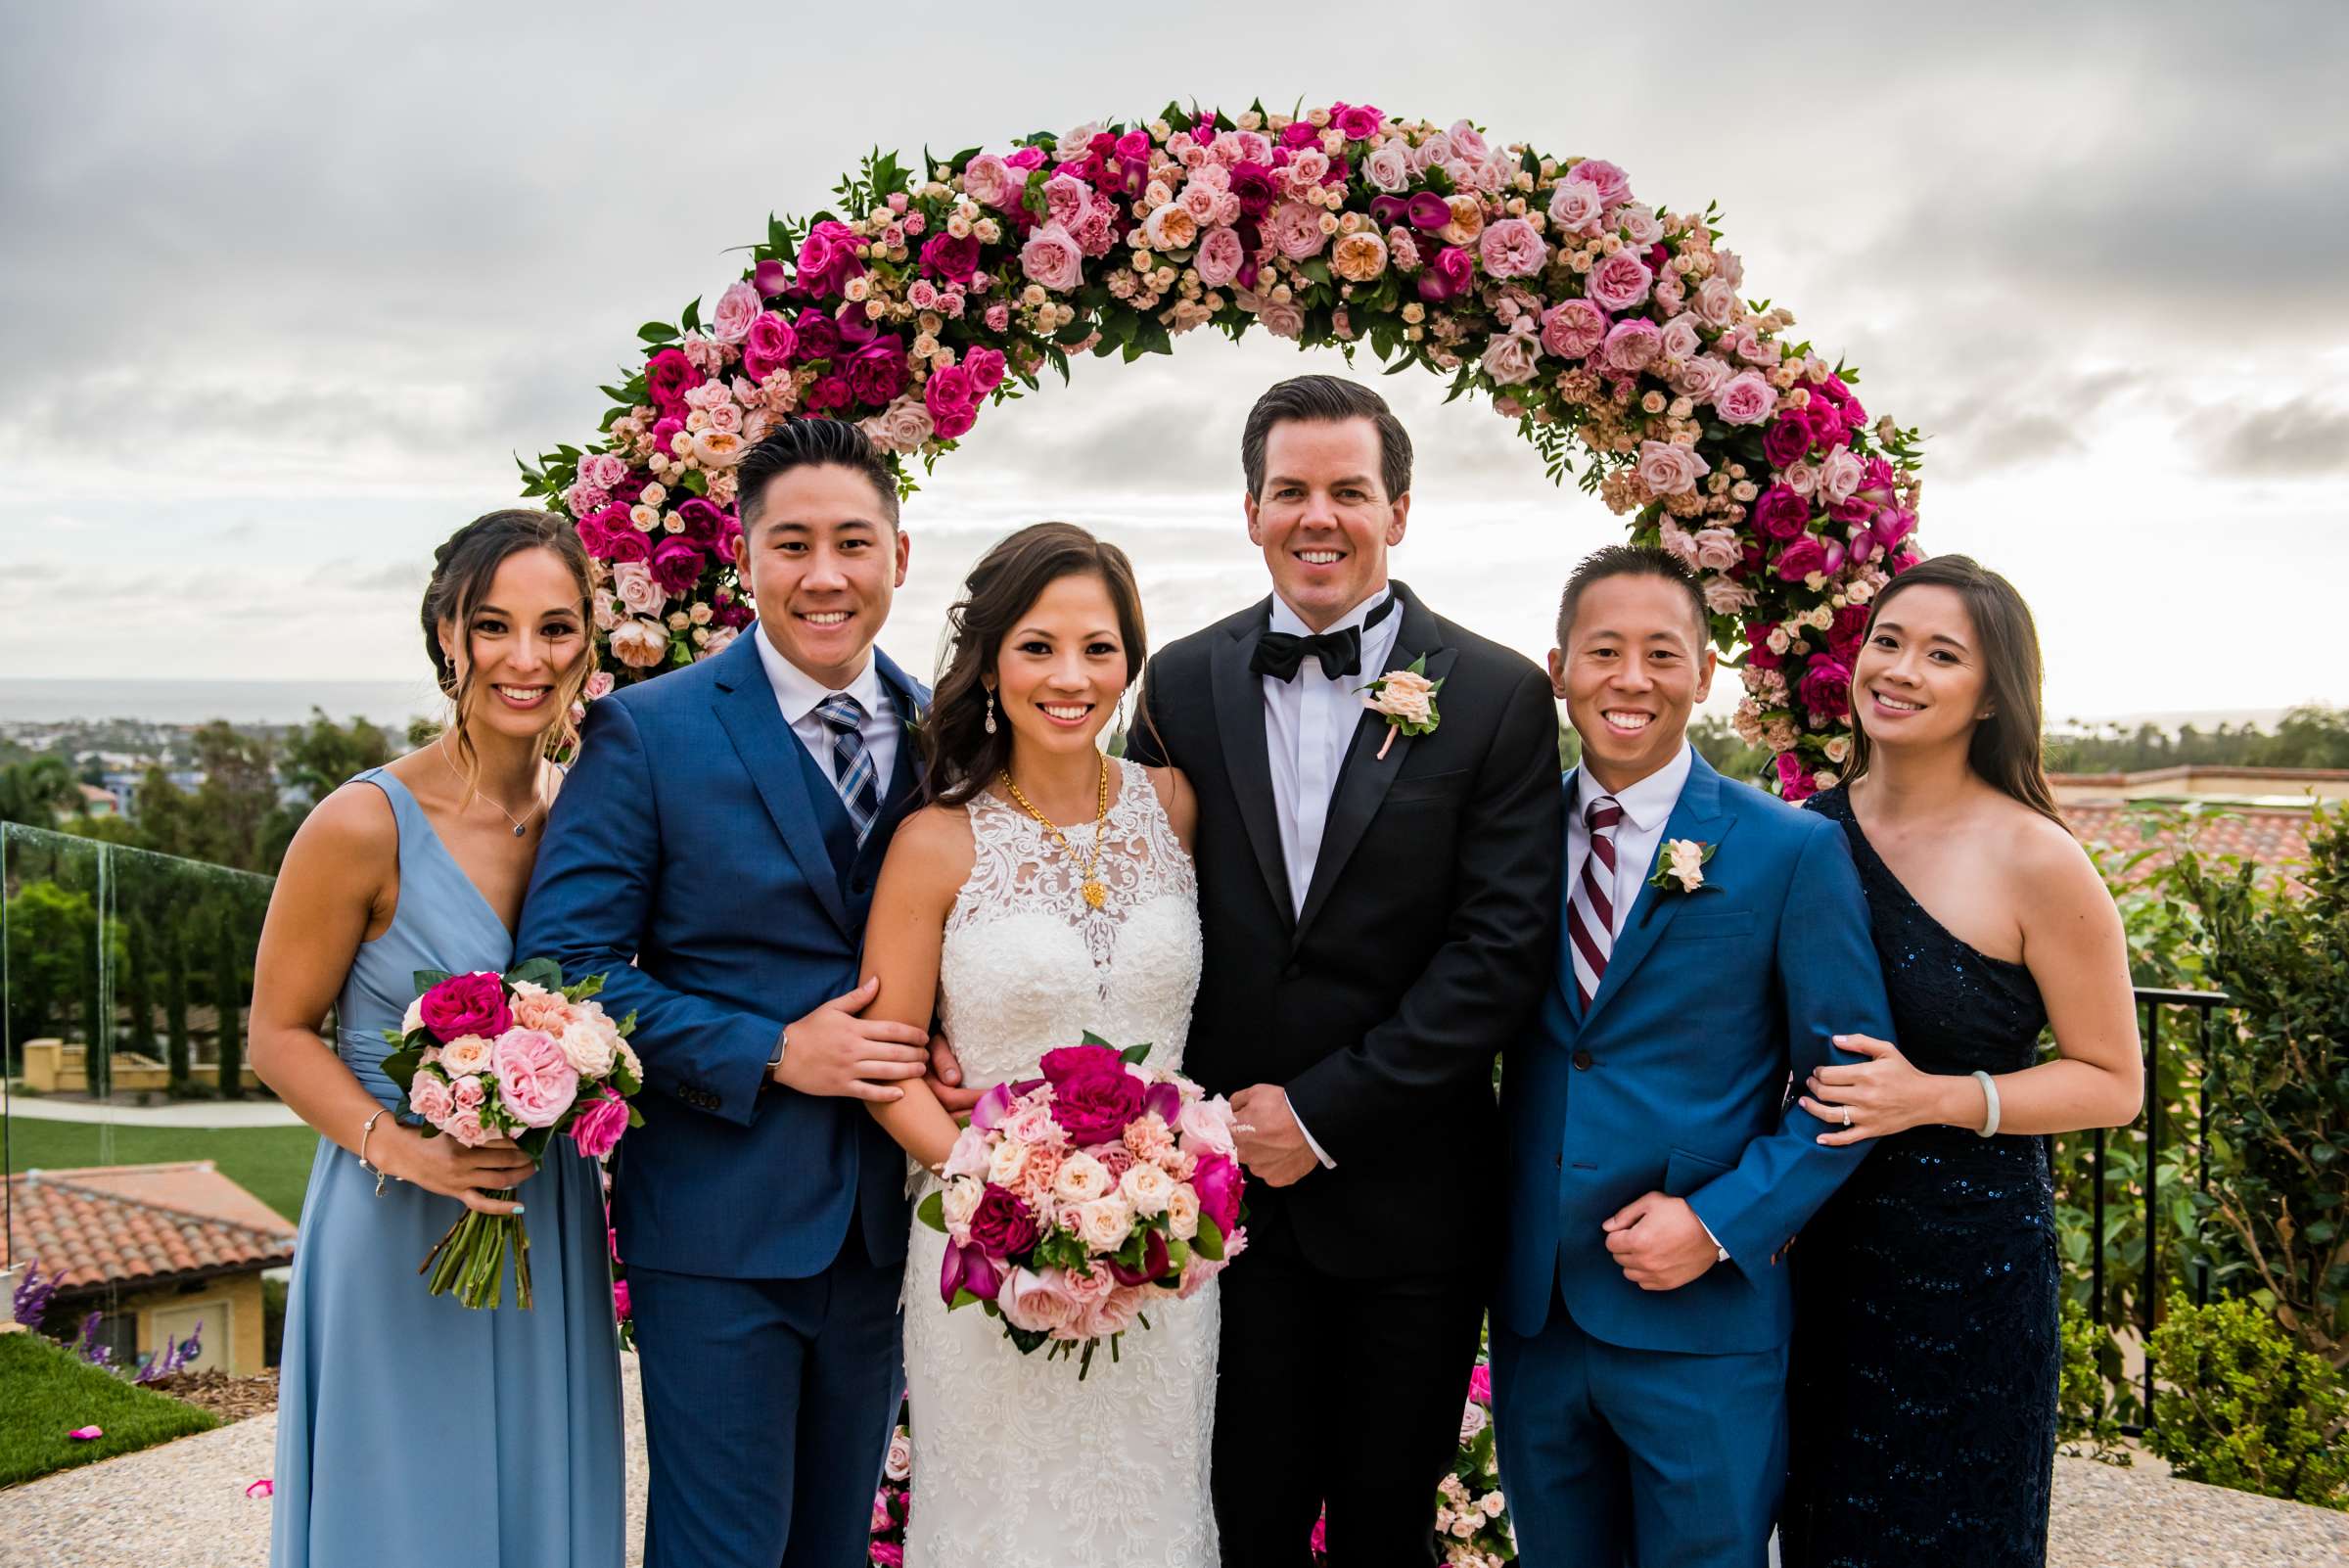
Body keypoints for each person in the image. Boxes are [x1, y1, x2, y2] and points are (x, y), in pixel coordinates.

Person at [977, 375, 1563, 1566]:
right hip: (1213, 1209)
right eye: (1290, 490)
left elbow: (1498, 955)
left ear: (1399, 510)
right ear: (1250, 510)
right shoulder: (1179, 683)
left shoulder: (1499, 693)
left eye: (1349, 491)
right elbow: (1117, 895)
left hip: (1410, 1203)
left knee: (1386, 1532)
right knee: (1232, 1524)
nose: (1318, 517)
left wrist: (1323, 1112)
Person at [515, 421, 933, 1568]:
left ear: (902, 551)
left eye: (854, 541)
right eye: (791, 544)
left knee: (834, 1548)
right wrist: (768, 1050)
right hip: (714, 1225)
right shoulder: (646, 733)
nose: (825, 574)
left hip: (887, 1229)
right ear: (747, 558)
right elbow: (559, 975)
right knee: (720, 1549)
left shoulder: (954, 734)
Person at [1493, 546, 1894, 1568]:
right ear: (1559, 668)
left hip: (1702, 1323)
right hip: (1539, 1321)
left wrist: (1720, 1222)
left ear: (1705, 673)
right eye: (1605, 651)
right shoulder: (1506, 838)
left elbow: (1850, 1093)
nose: (1632, 679)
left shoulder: (1790, 850)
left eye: (1662, 653)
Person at [253, 509, 622, 1567]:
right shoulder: (363, 822)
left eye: (555, 629)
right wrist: (405, 1147)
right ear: (447, 635)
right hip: (392, 1215)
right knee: (408, 1508)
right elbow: (277, 1034)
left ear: (587, 644)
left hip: (538, 1212)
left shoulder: (583, 818)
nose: (525, 657)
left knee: (531, 1490)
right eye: (493, 625)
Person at [856, 521, 1214, 1566]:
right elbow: (886, 1072)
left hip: (1165, 1255)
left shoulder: (1175, 805)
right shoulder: (938, 841)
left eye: (1099, 648)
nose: (1071, 676)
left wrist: (1140, 1210)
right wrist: (1011, 1201)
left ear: (1131, 662)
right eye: (1039, 646)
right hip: (989, 1257)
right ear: (991, 664)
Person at [1781, 555, 2142, 1568]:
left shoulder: (2037, 858)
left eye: (1943, 656)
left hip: (1970, 1267)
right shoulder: (1804, 835)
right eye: (1888, 641)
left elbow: (2113, 1081)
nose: (1900, 670)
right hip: (1816, 1258)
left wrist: (1933, 1098)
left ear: (1991, 698)